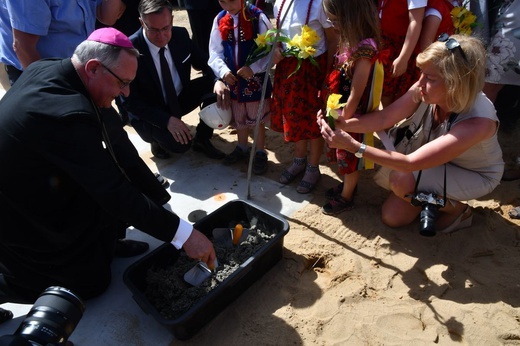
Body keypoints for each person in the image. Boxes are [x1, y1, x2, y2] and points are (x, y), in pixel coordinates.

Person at [0, 28, 216, 311]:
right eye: (123, 83)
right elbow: (113, 191)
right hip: (21, 209)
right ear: (93, 68)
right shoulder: (68, 116)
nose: (125, 93)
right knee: (90, 284)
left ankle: (107, 246)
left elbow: (119, 142)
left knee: (109, 192)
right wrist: (183, 234)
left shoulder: (60, 70)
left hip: (47, 179)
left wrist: (161, 201)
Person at [0, 0, 154, 257]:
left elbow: (107, 16)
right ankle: (78, 248)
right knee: (72, 172)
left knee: (112, 142)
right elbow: (24, 46)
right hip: (48, 83)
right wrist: (59, 99)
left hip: (90, 75)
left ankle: (112, 236)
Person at [318, 34, 504, 233]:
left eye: (430, 78)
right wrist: (342, 124)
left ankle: (459, 209)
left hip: (473, 174)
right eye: (421, 73)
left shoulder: (478, 122)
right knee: (392, 217)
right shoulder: (428, 88)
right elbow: (384, 119)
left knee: (400, 179)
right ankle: (432, 199)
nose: (420, 82)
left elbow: (409, 164)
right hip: (436, 161)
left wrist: (354, 147)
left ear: (455, 83)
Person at [122, 0, 227, 160]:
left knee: (216, 85)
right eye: (154, 30)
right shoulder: (129, 50)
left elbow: (205, 62)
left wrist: (217, 80)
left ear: (171, 19)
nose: (161, 36)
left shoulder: (180, 35)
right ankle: (156, 140)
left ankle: (202, 138)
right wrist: (165, 120)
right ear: (142, 23)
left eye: (165, 28)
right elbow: (129, 103)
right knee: (180, 146)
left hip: (179, 98)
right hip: (151, 110)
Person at [320, 0, 381, 214]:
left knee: (349, 156)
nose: (331, 24)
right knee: (338, 153)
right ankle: (347, 185)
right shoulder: (349, 39)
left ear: (351, 18)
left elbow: (357, 90)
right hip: (338, 106)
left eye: (335, 20)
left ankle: (347, 196)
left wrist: (344, 120)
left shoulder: (365, 49)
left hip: (351, 114)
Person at [271, 0, 336, 194]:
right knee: (294, 117)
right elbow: (280, 35)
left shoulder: (318, 4)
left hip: (313, 69)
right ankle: (299, 161)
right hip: (289, 69)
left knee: (313, 119)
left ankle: (313, 167)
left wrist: (329, 73)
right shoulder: (279, 3)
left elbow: (332, 40)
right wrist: (276, 49)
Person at [208, 0, 272, 174]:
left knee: (256, 118)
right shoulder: (220, 18)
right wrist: (222, 71)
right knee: (239, 117)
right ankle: (242, 147)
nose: (229, 7)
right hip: (233, 81)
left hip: (254, 82)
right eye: (222, 2)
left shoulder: (258, 17)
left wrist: (254, 68)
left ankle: (260, 152)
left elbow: (270, 50)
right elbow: (215, 51)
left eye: (233, 1)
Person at [0, 0, 124, 85]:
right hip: (39, 75)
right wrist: (52, 90)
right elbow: (23, 47)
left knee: (105, 122)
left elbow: (107, 17)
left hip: (78, 68)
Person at [378, 0, 426, 107]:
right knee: (380, 88)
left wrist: (403, 58)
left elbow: (415, 21)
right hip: (382, 41)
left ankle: (389, 121)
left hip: (399, 46)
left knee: (390, 90)